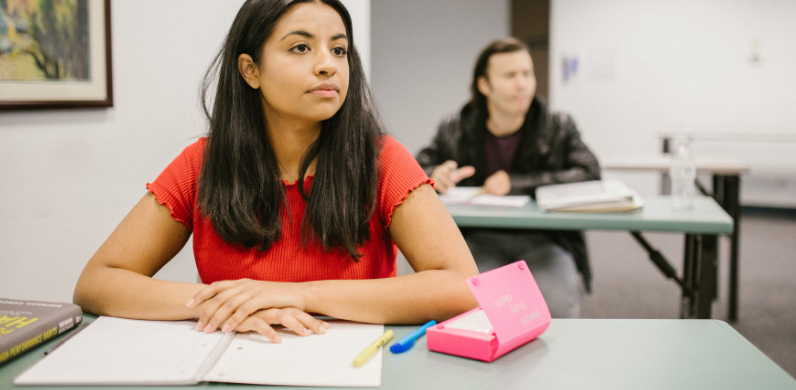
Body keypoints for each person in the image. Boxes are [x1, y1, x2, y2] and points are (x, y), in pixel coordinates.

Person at [73, 0, 479, 343]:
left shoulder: (381, 159)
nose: (327, 66)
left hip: (346, 368)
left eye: (339, 50)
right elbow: (98, 282)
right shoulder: (202, 163)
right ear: (251, 70)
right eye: (301, 48)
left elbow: (461, 285)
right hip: (234, 362)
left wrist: (296, 296)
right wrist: (222, 304)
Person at [416, 38, 600, 318]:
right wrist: (434, 176)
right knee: (469, 307)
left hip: (546, 238)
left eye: (527, 74)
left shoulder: (557, 124)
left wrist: (516, 184)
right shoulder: (455, 127)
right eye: (510, 76)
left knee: (558, 305)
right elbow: (418, 168)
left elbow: (590, 172)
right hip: (478, 239)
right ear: (484, 85)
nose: (522, 84)